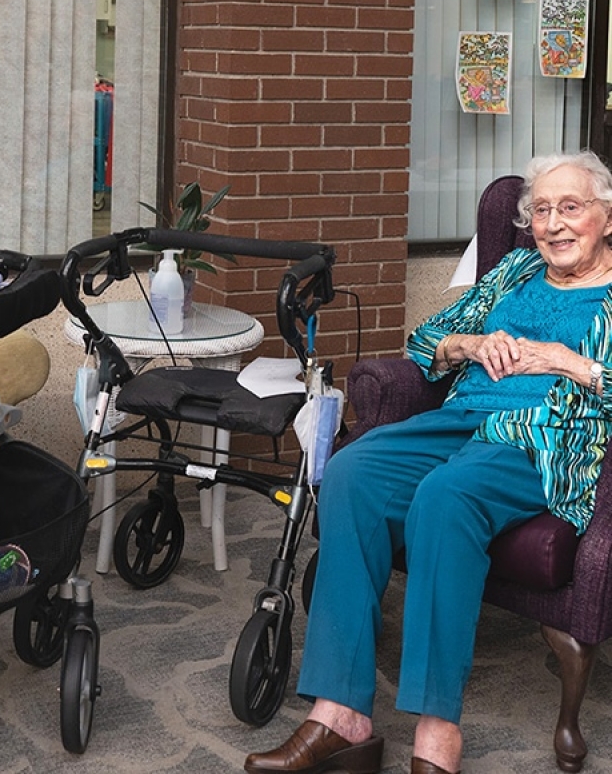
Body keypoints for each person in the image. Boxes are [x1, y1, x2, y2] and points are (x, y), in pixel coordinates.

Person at [244, 150, 612, 774]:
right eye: (542, 210)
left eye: (570, 208)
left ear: (606, 216)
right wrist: (472, 343)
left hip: (541, 439)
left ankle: (437, 734)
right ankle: (342, 715)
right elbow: (424, 344)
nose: (553, 224)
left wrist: (566, 360)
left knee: (447, 497)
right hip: (458, 416)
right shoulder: (516, 269)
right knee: (353, 472)